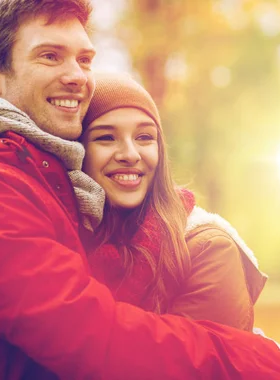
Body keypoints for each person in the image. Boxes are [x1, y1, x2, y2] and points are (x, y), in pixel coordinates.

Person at [0, 0, 280, 379]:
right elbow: (92, 340)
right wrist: (249, 359)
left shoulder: (21, 171)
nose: (77, 77)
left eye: (84, 59)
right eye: (50, 56)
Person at [81, 73, 267, 331]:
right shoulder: (64, 241)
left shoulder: (208, 249)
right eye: (106, 138)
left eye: (144, 137)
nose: (130, 154)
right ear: (78, 150)